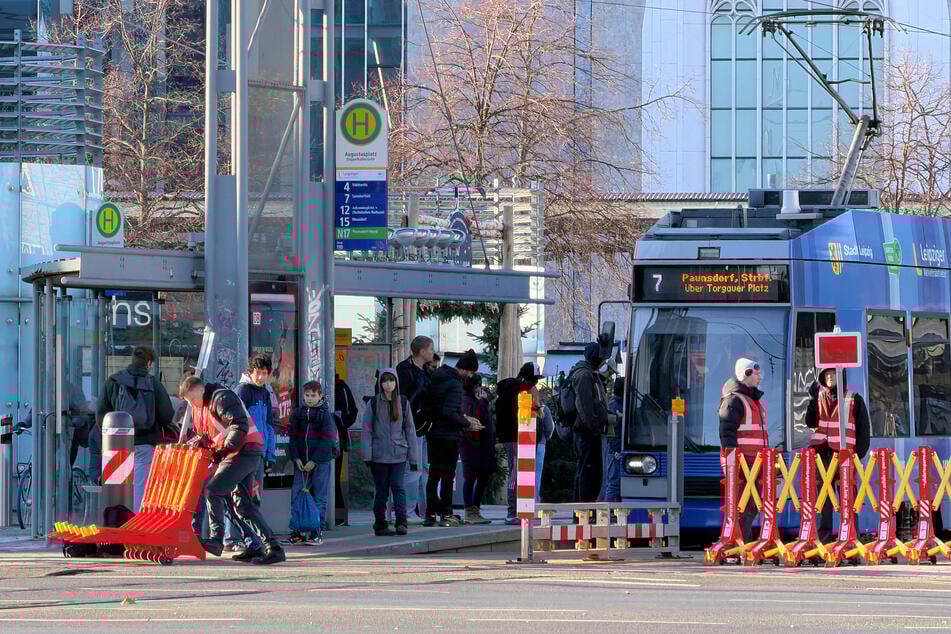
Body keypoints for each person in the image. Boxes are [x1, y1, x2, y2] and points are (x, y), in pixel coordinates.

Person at [179, 375, 285, 565]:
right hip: (241, 451)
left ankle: (216, 539)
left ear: (201, 390)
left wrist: (223, 451)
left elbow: (239, 425)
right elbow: (209, 433)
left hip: (242, 451)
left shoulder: (221, 398)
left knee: (213, 490)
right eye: (188, 401)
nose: (192, 404)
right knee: (242, 504)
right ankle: (265, 547)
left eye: (192, 399)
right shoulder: (203, 405)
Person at [97, 346, 175, 512]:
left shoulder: (113, 381)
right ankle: (135, 522)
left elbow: (101, 414)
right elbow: (167, 415)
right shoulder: (153, 383)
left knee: (117, 486)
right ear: (149, 362)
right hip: (144, 444)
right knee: (140, 486)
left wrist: (108, 437)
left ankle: (116, 522)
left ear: (132, 360)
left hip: (116, 443)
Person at [806, 366, 871, 542]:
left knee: (847, 498)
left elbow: (864, 431)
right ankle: (823, 539)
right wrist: (811, 400)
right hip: (821, 455)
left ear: (840, 376)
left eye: (833, 374)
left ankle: (850, 538)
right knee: (823, 500)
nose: (829, 377)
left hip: (844, 455)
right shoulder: (818, 397)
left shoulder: (854, 399)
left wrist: (857, 455)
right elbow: (810, 421)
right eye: (826, 374)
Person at [425, 350, 484, 527]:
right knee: (447, 475)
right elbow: (449, 412)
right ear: (465, 370)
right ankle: (446, 512)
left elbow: (445, 408)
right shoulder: (455, 383)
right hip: (448, 436)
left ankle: (430, 513)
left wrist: (465, 418)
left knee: (434, 473)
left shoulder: (439, 377)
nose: (471, 376)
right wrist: (467, 423)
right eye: (471, 372)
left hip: (434, 433)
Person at [360, 369, 419, 536]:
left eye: (391, 381)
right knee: (382, 491)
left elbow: (410, 430)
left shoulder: (403, 402)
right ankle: (380, 524)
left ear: (396, 383)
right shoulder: (373, 403)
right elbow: (367, 430)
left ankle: (401, 522)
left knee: (398, 487)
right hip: (379, 456)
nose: (388, 384)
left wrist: (414, 459)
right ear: (380, 384)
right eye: (385, 381)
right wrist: (367, 455)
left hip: (399, 454)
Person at [230, 354, 276, 554]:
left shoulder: (265, 393)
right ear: (251, 372)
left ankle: (252, 537)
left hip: (259, 452)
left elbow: (267, 425)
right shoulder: (243, 391)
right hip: (244, 452)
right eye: (258, 373)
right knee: (240, 496)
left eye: (265, 373)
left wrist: (270, 454)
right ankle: (233, 537)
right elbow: (235, 423)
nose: (261, 377)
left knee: (254, 496)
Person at [719, 357, 768, 543]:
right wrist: (733, 459)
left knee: (751, 504)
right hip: (743, 462)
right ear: (746, 374)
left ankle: (742, 540)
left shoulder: (752, 400)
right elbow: (726, 430)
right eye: (756, 373)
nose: (759, 377)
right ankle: (739, 541)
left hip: (754, 462)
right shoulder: (734, 400)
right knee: (742, 505)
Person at [288, 380, 340, 541]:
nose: (309, 398)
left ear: (320, 396)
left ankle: (317, 530)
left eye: (313, 395)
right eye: (307, 395)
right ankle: (297, 529)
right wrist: (296, 458)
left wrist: (314, 461)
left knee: (319, 497)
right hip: (302, 462)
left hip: (320, 462)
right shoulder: (298, 413)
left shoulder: (325, 415)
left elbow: (327, 440)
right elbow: (293, 438)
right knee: (296, 495)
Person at [496, 362, 543, 524]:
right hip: (514, 437)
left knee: (519, 474)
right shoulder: (513, 391)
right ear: (525, 379)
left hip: (520, 437)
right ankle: (511, 513)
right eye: (533, 381)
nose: (534, 385)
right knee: (515, 474)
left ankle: (519, 511)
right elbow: (511, 415)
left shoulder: (518, 391)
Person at [396, 335, 435, 519]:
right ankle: (407, 510)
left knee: (424, 468)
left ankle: (424, 509)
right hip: (411, 426)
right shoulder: (404, 370)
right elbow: (403, 399)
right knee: (413, 468)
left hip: (425, 425)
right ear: (421, 351)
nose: (432, 352)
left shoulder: (426, 371)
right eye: (430, 348)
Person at [571, 343, 609, 503]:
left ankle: (583, 511)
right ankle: (584, 512)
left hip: (588, 431)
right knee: (588, 473)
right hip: (586, 432)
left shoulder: (588, 373)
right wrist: (595, 427)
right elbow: (585, 406)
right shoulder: (584, 376)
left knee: (587, 472)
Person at [460, 374, 495, 524]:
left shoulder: (476, 398)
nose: (479, 387)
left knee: (482, 477)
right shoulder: (467, 400)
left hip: (483, 445)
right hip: (471, 445)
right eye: (476, 385)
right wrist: (483, 401)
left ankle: (475, 509)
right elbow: (479, 417)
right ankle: (469, 510)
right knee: (470, 477)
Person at [334, 374, 359, 524]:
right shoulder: (314, 388)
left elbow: (353, 411)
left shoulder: (341, 386)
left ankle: (338, 515)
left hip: (338, 438)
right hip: (323, 440)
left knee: (335, 478)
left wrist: (343, 423)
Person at [598, 377, 624, 503]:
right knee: (614, 483)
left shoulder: (611, 405)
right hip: (616, 450)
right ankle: (611, 512)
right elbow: (611, 431)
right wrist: (616, 450)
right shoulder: (621, 406)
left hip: (614, 449)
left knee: (613, 483)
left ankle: (613, 512)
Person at [535, 389, 554, 503]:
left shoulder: (525, 408)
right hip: (540, 445)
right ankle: (535, 499)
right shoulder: (544, 409)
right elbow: (549, 430)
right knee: (537, 474)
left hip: (526, 445)